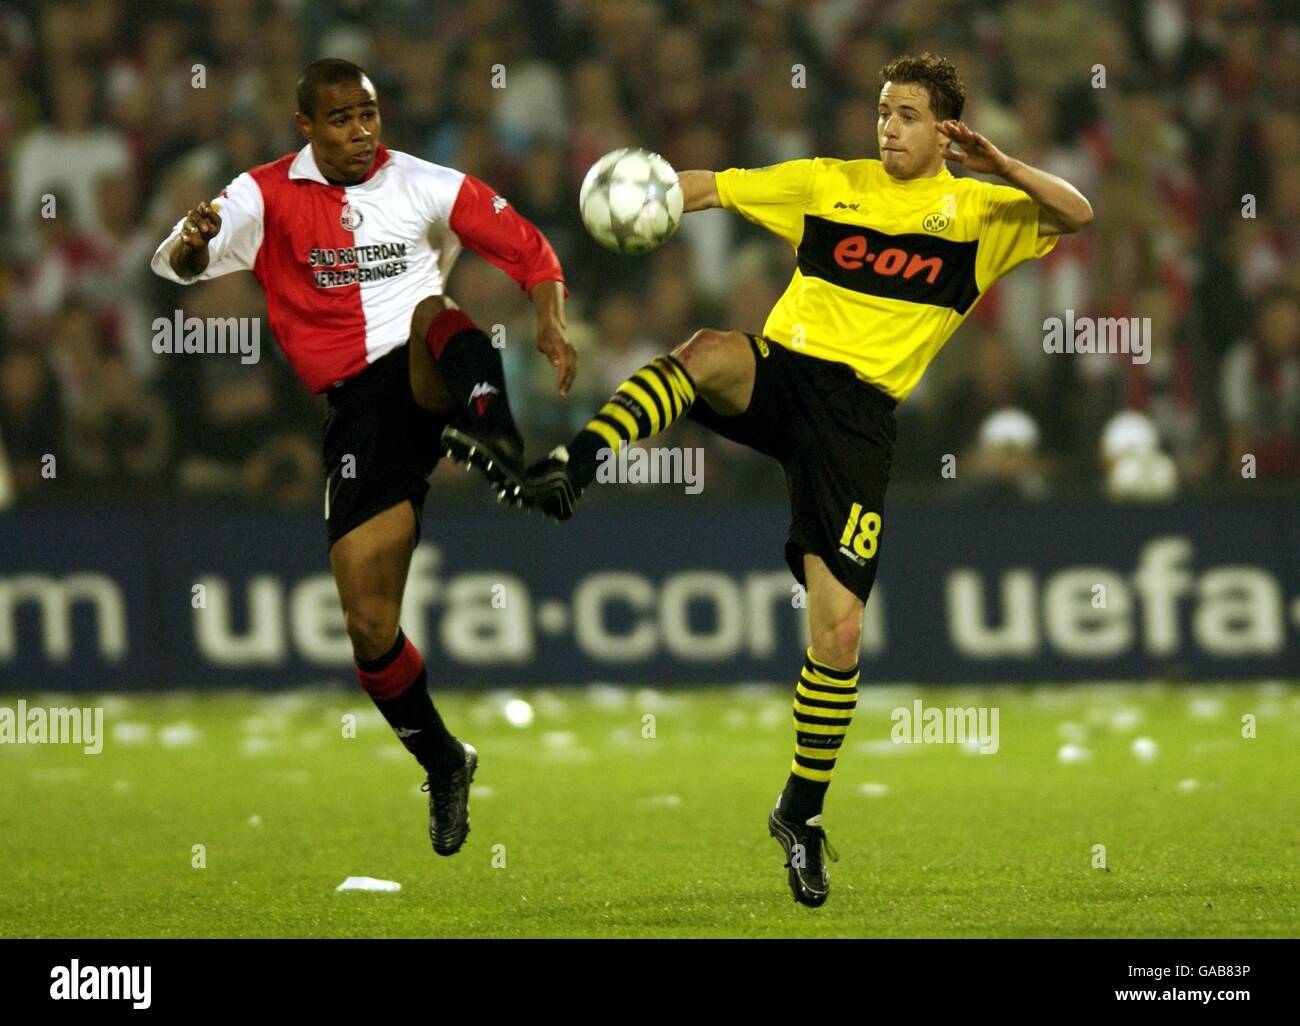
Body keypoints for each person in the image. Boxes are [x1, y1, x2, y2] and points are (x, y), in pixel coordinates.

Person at [511, 52, 1092, 907]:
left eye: (905, 115)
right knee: (706, 350)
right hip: (786, 373)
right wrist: (645, 186)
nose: (887, 126)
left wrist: (1002, 163)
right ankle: (573, 465)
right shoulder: (828, 182)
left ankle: (800, 813)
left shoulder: (980, 213)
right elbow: (714, 187)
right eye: (883, 111)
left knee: (840, 636)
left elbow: (1077, 214)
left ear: (945, 129)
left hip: (859, 424)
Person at [151, 58, 576, 858]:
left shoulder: (421, 182)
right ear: (306, 125)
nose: (360, 132)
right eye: (341, 119)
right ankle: (445, 760)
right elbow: (177, 264)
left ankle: (502, 445)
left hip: (427, 369)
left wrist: (549, 320)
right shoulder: (262, 194)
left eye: (369, 115)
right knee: (368, 626)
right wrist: (191, 241)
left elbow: (529, 249)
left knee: (433, 311)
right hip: (357, 415)